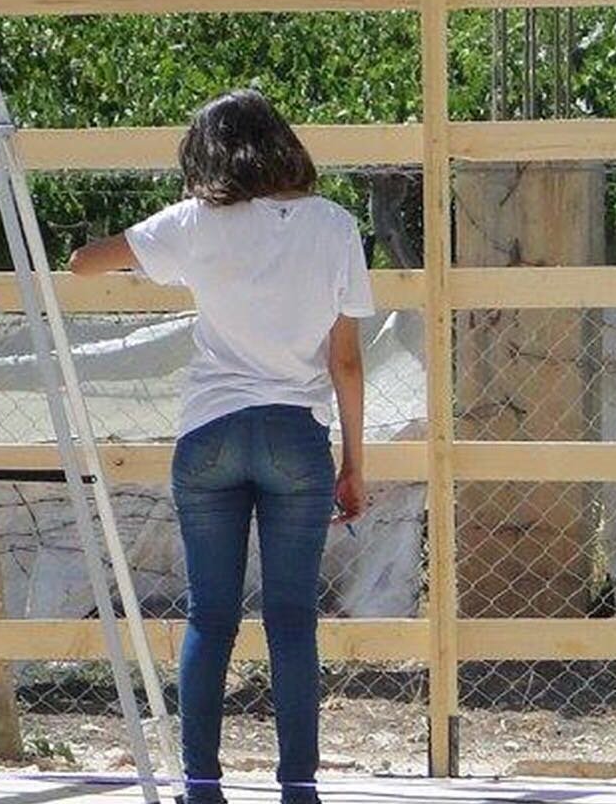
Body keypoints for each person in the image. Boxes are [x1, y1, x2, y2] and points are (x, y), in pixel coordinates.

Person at [71, 90, 373, 804]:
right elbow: (348, 361)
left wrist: (166, 239)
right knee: (292, 619)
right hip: (296, 436)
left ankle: (200, 783)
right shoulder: (335, 227)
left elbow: (85, 262)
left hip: (209, 433)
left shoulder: (195, 223)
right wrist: (356, 463)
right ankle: (298, 784)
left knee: (212, 615)